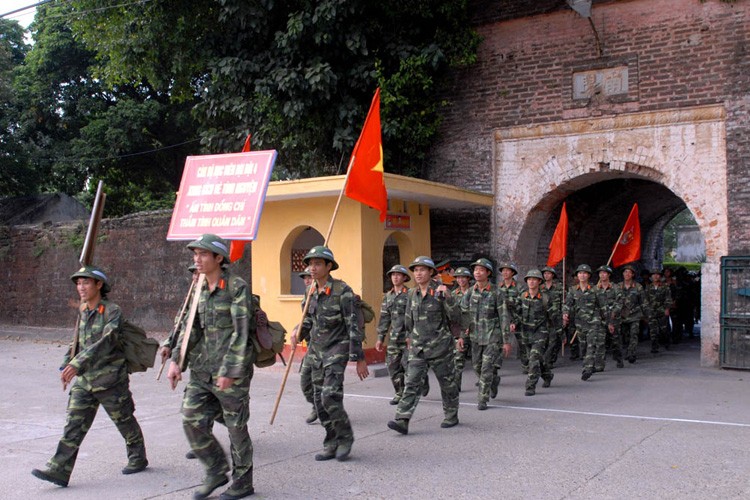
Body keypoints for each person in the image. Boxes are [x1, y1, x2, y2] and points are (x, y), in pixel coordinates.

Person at [32, 265, 148, 488]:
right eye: (78, 283)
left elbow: (106, 342)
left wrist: (77, 363)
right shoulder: (83, 310)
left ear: (99, 285)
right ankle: (59, 469)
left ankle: (138, 456)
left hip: (110, 379)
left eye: (86, 282)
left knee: (124, 420)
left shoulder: (113, 311)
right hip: (85, 380)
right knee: (73, 424)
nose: (81, 287)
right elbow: (78, 341)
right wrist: (66, 363)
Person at [167, 234, 255, 500]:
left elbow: (242, 333)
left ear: (219, 258)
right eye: (195, 254)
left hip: (231, 370)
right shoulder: (198, 289)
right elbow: (190, 329)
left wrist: (230, 370)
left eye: (203, 254)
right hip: (202, 369)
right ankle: (216, 469)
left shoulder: (236, 287)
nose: (197, 259)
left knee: (235, 427)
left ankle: (243, 482)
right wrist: (176, 360)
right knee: (190, 418)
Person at [291, 246, 369, 461]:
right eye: (310, 263)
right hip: (316, 350)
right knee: (318, 400)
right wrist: (298, 332)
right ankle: (331, 440)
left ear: (328, 266)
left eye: (317, 264)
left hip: (337, 349)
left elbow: (354, 325)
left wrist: (359, 358)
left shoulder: (343, 291)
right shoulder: (310, 292)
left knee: (329, 396)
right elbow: (308, 320)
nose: (312, 268)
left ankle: (345, 438)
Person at [387, 256, 459, 434]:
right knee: (411, 383)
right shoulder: (411, 293)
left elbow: (456, 317)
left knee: (447, 383)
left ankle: (451, 414)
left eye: (422, 270)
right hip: (418, 347)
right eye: (416, 270)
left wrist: (449, 298)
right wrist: (409, 337)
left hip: (440, 346)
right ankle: (402, 419)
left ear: (431, 272)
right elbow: (408, 318)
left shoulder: (441, 292)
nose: (418, 273)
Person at [460, 258, 511, 410]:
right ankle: (494, 381)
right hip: (475, 336)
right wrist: (462, 336)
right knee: (477, 367)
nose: (477, 272)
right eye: (475, 270)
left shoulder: (497, 292)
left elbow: (503, 316)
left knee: (486, 367)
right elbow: (464, 315)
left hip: (492, 336)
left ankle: (482, 399)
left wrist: (506, 340)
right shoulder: (470, 292)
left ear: (488, 273)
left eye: (481, 270)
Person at [563, 264, 612, 381]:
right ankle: (588, 363)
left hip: (594, 321)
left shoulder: (596, 290)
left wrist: (608, 322)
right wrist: (565, 313)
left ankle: (588, 368)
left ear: (589, 275)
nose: (582, 275)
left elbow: (603, 307)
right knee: (583, 346)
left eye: (585, 273)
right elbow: (567, 304)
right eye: (580, 273)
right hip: (580, 322)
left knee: (591, 344)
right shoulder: (573, 290)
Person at [512, 269, 555, 396]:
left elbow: (553, 317)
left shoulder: (545, 298)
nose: (531, 282)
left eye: (534, 279)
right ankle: (547, 375)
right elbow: (517, 313)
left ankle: (530, 386)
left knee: (534, 358)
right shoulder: (522, 296)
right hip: (526, 332)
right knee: (537, 359)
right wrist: (513, 323)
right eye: (529, 279)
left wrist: (559, 333)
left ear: (539, 282)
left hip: (540, 332)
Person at [376, 265, 412, 405]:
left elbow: (414, 316)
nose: (395, 277)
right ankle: (399, 393)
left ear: (404, 278)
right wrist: (380, 338)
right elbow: (384, 318)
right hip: (394, 338)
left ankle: (419, 383)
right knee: (392, 366)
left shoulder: (410, 294)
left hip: (409, 338)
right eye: (393, 275)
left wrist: (412, 335)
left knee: (409, 367)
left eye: (398, 275)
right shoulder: (388, 296)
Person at [296, 267, 319, 424]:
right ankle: (317, 406)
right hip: (312, 343)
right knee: (305, 379)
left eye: (309, 277)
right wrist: (297, 334)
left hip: (330, 346)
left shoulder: (327, 292)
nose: (307, 280)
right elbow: (308, 319)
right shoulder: (307, 294)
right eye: (304, 278)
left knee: (324, 383)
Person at [617, 264, 648, 363]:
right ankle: (627, 351)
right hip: (622, 315)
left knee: (634, 334)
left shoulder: (638, 287)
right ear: (622, 274)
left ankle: (631, 354)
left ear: (633, 275)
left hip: (635, 314)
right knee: (625, 336)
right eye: (625, 272)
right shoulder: (618, 287)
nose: (627, 274)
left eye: (629, 272)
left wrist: (646, 315)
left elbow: (643, 301)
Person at [596, 265, 623, 369]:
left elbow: (619, 302)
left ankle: (619, 358)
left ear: (609, 275)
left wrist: (613, 315)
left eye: (604, 273)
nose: (602, 275)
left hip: (613, 319)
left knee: (615, 342)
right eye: (600, 273)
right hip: (600, 319)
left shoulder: (616, 288)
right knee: (600, 342)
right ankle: (599, 365)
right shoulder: (596, 289)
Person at [451, 266, 473, 391]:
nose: (461, 280)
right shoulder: (454, 294)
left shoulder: (474, 292)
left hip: (476, 330)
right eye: (458, 277)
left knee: (478, 362)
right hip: (461, 332)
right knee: (458, 359)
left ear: (468, 279)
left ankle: (488, 383)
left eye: (463, 277)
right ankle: (456, 387)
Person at [541, 266, 564, 368]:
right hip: (543, 317)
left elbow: (563, 301)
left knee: (554, 340)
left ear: (553, 275)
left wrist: (564, 315)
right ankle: (546, 360)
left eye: (549, 273)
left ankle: (549, 359)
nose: (546, 275)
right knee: (545, 340)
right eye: (545, 273)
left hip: (556, 317)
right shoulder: (540, 287)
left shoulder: (559, 287)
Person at [645, 268, 673, 354]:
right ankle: (654, 346)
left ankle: (667, 342)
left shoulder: (665, 287)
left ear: (660, 276)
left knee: (664, 329)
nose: (655, 276)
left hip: (662, 310)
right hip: (651, 311)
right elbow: (645, 300)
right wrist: (646, 311)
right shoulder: (648, 288)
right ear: (651, 277)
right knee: (653, 330)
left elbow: (668, 299)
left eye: (657, 275)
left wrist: (667, 309)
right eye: (653, 275)